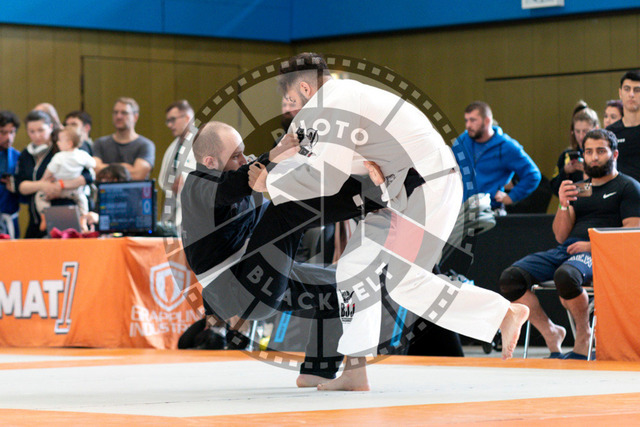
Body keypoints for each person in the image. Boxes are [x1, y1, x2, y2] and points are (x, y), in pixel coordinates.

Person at [247, 53, 528, 391]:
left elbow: (327, 178)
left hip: (426, 187)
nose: (290, 108)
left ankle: (503, 314)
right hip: (397, 195)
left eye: (291, 99)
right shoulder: (338, 102)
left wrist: (270, 182)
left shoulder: (336, 103)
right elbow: (315, 159)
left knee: (405, 282)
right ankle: (355, 371)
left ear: (305, 89)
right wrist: (275, 162)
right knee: (352, 268)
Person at [182, 121, 354, 387]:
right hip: (238, 289)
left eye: (244, 152)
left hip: (257, 283)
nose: (244, 159)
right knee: (284, 208)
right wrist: (273, 156)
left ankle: (318, 371)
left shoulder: (243, 186)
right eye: (236, 156)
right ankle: (365, 200)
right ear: (210, 162)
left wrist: (296, 155)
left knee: (340, 285)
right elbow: (233, 185)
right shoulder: (197, 185)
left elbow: (257, 182)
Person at [499, 129, 640, 360]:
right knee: (511, 278)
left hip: (600, 252)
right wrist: (563, 204)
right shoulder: (580, 188)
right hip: (567, 250)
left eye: (600, 151)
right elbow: (560, 235)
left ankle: (584, 336)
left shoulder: (628, 187)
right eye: (589, 152)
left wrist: (592, 245)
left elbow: (631, 235)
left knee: (566, 276)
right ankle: (551, 332)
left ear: (614, 154)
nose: (594, 157)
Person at [15, 110, 94, 238]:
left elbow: (88, 177)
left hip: (68, 212)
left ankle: (83, 219)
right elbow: (21, 186)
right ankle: (44, 218)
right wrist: (43, 185)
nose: (37, 135)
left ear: (50, 127)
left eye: (41, 130)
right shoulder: (26, 154)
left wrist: (61, 185)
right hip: (37, 219)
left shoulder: (64, 147)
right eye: (31, 131)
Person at [452, 101, 541, 211]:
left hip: (490, 210)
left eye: (473, 120)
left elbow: (533, 175)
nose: (468, 125)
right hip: (461, 209)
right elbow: (450, 170)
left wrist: (511, 197)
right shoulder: (462, 141)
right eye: (466, 120)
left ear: (487, 121)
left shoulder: (507, 147)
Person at [34, 126, 96, 216]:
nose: (57, 142)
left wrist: (43, 180)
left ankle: (44, 216)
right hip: (75, 191)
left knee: (40, 196)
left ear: (69, 143)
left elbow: (49, 170)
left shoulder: (59, 156)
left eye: (60, 140)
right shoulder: (82, 155)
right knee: (82, 200)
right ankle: (83, 217)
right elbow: (93, 164)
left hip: (59, 190)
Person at [93, 97, 155, 180]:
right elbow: (95, 170)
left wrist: (107, 169)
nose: (118, 116)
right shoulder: (100, 143)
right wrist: (125, 168)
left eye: (124, 113)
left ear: (135, 117)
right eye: (115, 112)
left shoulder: (145, 145)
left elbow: (138, 175)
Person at [549, 102, 599, 196]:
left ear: (595, 129)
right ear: (573, 131)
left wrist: (589, 172)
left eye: (585, 131)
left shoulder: (602, 155)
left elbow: (606, 188)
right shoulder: (567, 155)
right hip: (571, 203)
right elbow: (554, 189)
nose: (581, 136)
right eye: (577, 131)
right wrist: (565, 172)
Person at [607, 70, 640, 182]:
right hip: (620, 191)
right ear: (620, 93)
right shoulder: (610, 133)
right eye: (627, 89)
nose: (631, 94)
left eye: (637, 90)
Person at [158, 100, 196, 196]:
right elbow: (164, 180)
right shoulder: (173, 147)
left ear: (187, 118)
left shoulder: (204, 142)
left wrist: (185, 179)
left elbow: (212, 175)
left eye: (173, 119)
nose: (169, 125)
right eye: (168, 121)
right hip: (177, 201)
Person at [0, 111, 21, 238]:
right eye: (3, 132)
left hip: (9, 217)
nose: (9, 137)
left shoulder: (18, 157)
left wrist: (16, 187)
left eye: (12, 132)